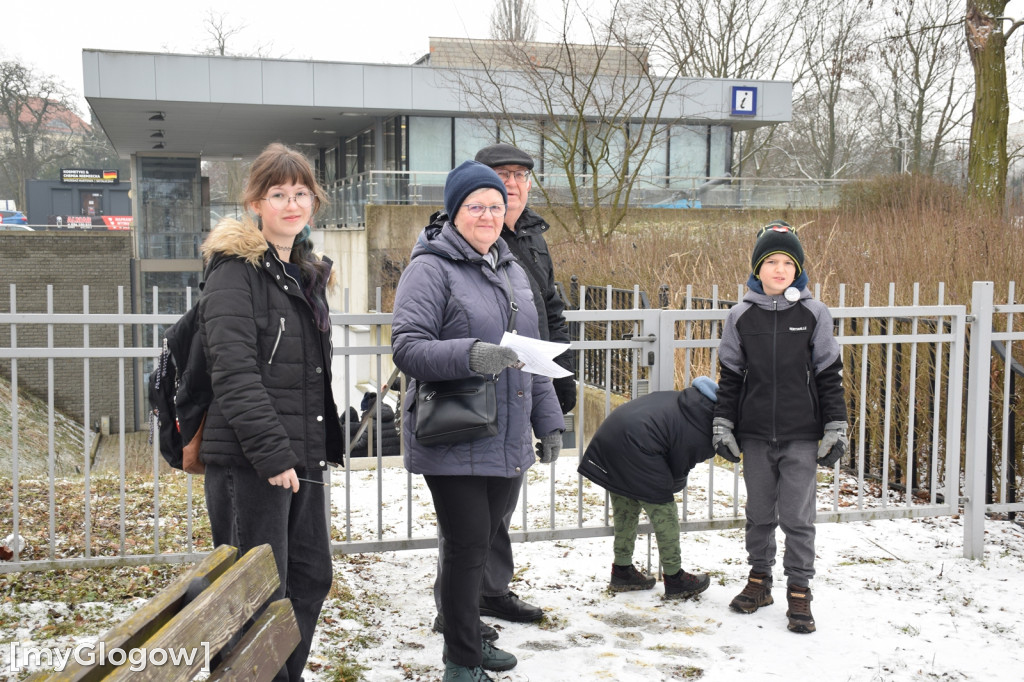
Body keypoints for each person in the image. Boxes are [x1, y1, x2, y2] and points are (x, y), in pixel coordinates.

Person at [391, 160, 565, 681]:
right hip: (454, 432)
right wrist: (471, 354)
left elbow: (528, 355)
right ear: (454, 212)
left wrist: (549, 421)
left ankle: (466, 636)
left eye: (495, 206)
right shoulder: (430, 268)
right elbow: (408, 347)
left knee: (481, 544)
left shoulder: (511, 269)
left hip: (505, 435)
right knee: (466, 548)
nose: (488, 215)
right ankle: (461, 662)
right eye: (476, 206)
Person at [198, 142, 343, 680]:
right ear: (255, 203)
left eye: (301, 193)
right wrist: (273, 454)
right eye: (278, 194)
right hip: (253, 462)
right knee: (255, 593)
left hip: (302, 456)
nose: (291, 204)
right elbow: (233, 373)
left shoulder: (301, 273)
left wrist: (306, 452)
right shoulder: (234, 273)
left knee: (310, 576)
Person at [425, 143, 574, 636]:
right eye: (501, 175)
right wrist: (474, 356)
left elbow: (549, 310)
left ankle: (490, 590)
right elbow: (416, 339)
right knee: (465, 521)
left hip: (525, 384)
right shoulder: (446, 247)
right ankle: (457, 611)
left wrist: (559, 378)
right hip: (471, 399)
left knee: (497, 509)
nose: (512, 184)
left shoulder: (530, 239)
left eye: (520, 175)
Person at [712, 220, 848, 634]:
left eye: (788, 262)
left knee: (797, 517)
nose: (779, 269)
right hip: (755, 434)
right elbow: (730, 376)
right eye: (771, 261)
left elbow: (828, 373)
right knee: (758, 514)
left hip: (801, 434)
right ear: (757, 268)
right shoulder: (740, 315)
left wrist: (835, 426)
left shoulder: (814, 313)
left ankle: (800, 590)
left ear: (798, 269)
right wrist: (723, 423)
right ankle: (759, 581)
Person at [578, 377, 717, 600]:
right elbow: (679, 466)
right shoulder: (700, 424)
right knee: (665, 513)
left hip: (612, 436)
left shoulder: (682, 400)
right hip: (639, 443)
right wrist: (667, 490)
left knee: (626, 506)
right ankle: (675, 578)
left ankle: (622, 570)